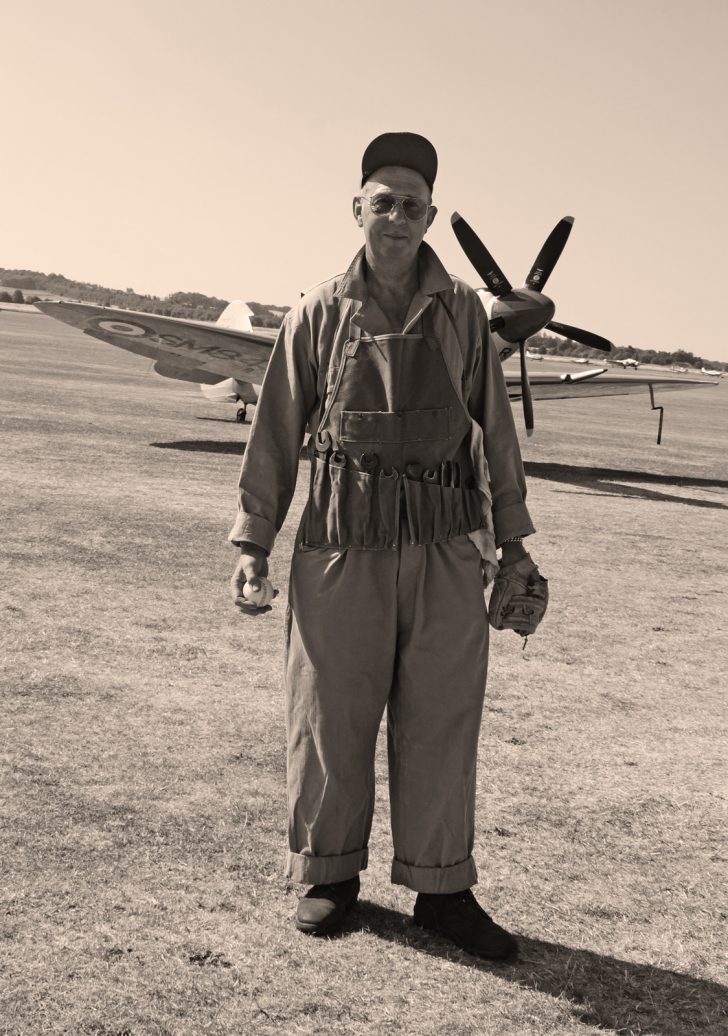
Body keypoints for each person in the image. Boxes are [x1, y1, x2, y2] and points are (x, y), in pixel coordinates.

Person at [229, 132, 537, 961]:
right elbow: (275, 432)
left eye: (413, 205)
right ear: (357, 208)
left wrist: (514, 544)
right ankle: (328, 877)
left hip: (444, 548)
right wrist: (254, 539)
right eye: (383, 201)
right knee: (329, 714)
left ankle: (443, 890)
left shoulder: (465, 313)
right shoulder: (317, 312)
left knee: (442, 719)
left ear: (430, 215)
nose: (398, 217)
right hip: (339, 545)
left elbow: (495, 436)